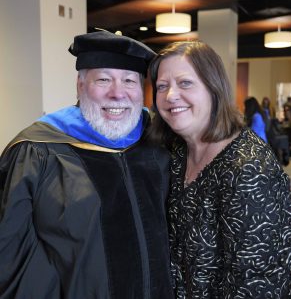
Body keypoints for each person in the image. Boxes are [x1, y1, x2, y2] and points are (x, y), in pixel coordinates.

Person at [0, 30, 174, 298]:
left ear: (141, 90)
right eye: (103, 79)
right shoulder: (37, 151)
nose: (117, 93)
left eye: (129, 80)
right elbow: (12, 255)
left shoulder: (159, 143)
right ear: (80, 86)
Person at [148, 40, 291, 298]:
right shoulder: (176, 151)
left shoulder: (249, 168)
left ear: (213, 88)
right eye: (162, 86)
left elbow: (258, 284)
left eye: (185, 83)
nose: (171, 95)